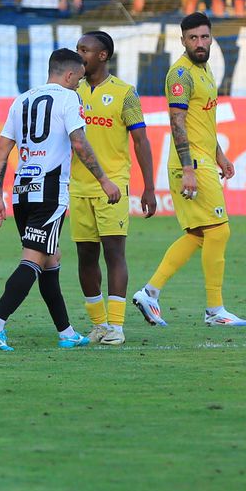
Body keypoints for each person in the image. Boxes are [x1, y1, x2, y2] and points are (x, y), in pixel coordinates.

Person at [0, 48, 122, 352]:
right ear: (70, 75)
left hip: (21, 190)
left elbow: (3, 147)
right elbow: (79, 141)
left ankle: (66, 332)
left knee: (50, 258)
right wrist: (104, 180)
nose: (80, 84)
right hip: (50, 189)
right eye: (79, 78)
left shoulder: (22, 100)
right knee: (33, 259)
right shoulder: (69, 98)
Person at [132, 13, 246, 329]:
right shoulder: (180, 74)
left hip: (204, 160)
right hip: (191, 165)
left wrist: (220, 155)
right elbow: (177, 123)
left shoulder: (206, 69)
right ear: (182, 40)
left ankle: (150, 292)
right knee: (219, 230)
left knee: (199, 234)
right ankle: (215, 310)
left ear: (211, 38)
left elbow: (204, 122)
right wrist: (188, 168)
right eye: (193, 38)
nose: (200, 43)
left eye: (204, 37)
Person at [71, 31, 157, 347]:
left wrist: (149, 187)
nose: (78, 54)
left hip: (114, 186)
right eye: (78, 48)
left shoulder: (125, 93)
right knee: (85, 255)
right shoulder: (70, 90)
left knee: (114, 253)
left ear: (102, 55)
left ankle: (117, 325)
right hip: (77, 185)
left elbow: (141, 140)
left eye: (84, 49)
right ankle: (98, 324)